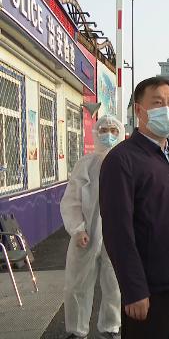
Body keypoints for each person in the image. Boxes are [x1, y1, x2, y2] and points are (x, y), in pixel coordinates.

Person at [100, 77, 169, 339]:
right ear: (138, 110)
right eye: (157, 103)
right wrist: (134, 290)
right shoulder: (121, 160)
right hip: (150, 290)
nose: (166, 109)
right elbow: (117, 232)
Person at [60, 115, 124, 339]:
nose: (108, 134)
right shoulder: (85, 164)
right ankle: (77, 331)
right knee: (78, 284)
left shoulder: (127, 163)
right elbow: (71, 200)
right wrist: (77, 229)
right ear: (95, 133)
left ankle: (111, 327)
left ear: (121, 133)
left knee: (115, 283)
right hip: (87, 234)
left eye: (114, 130)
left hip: (117, 236)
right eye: (104, 129)